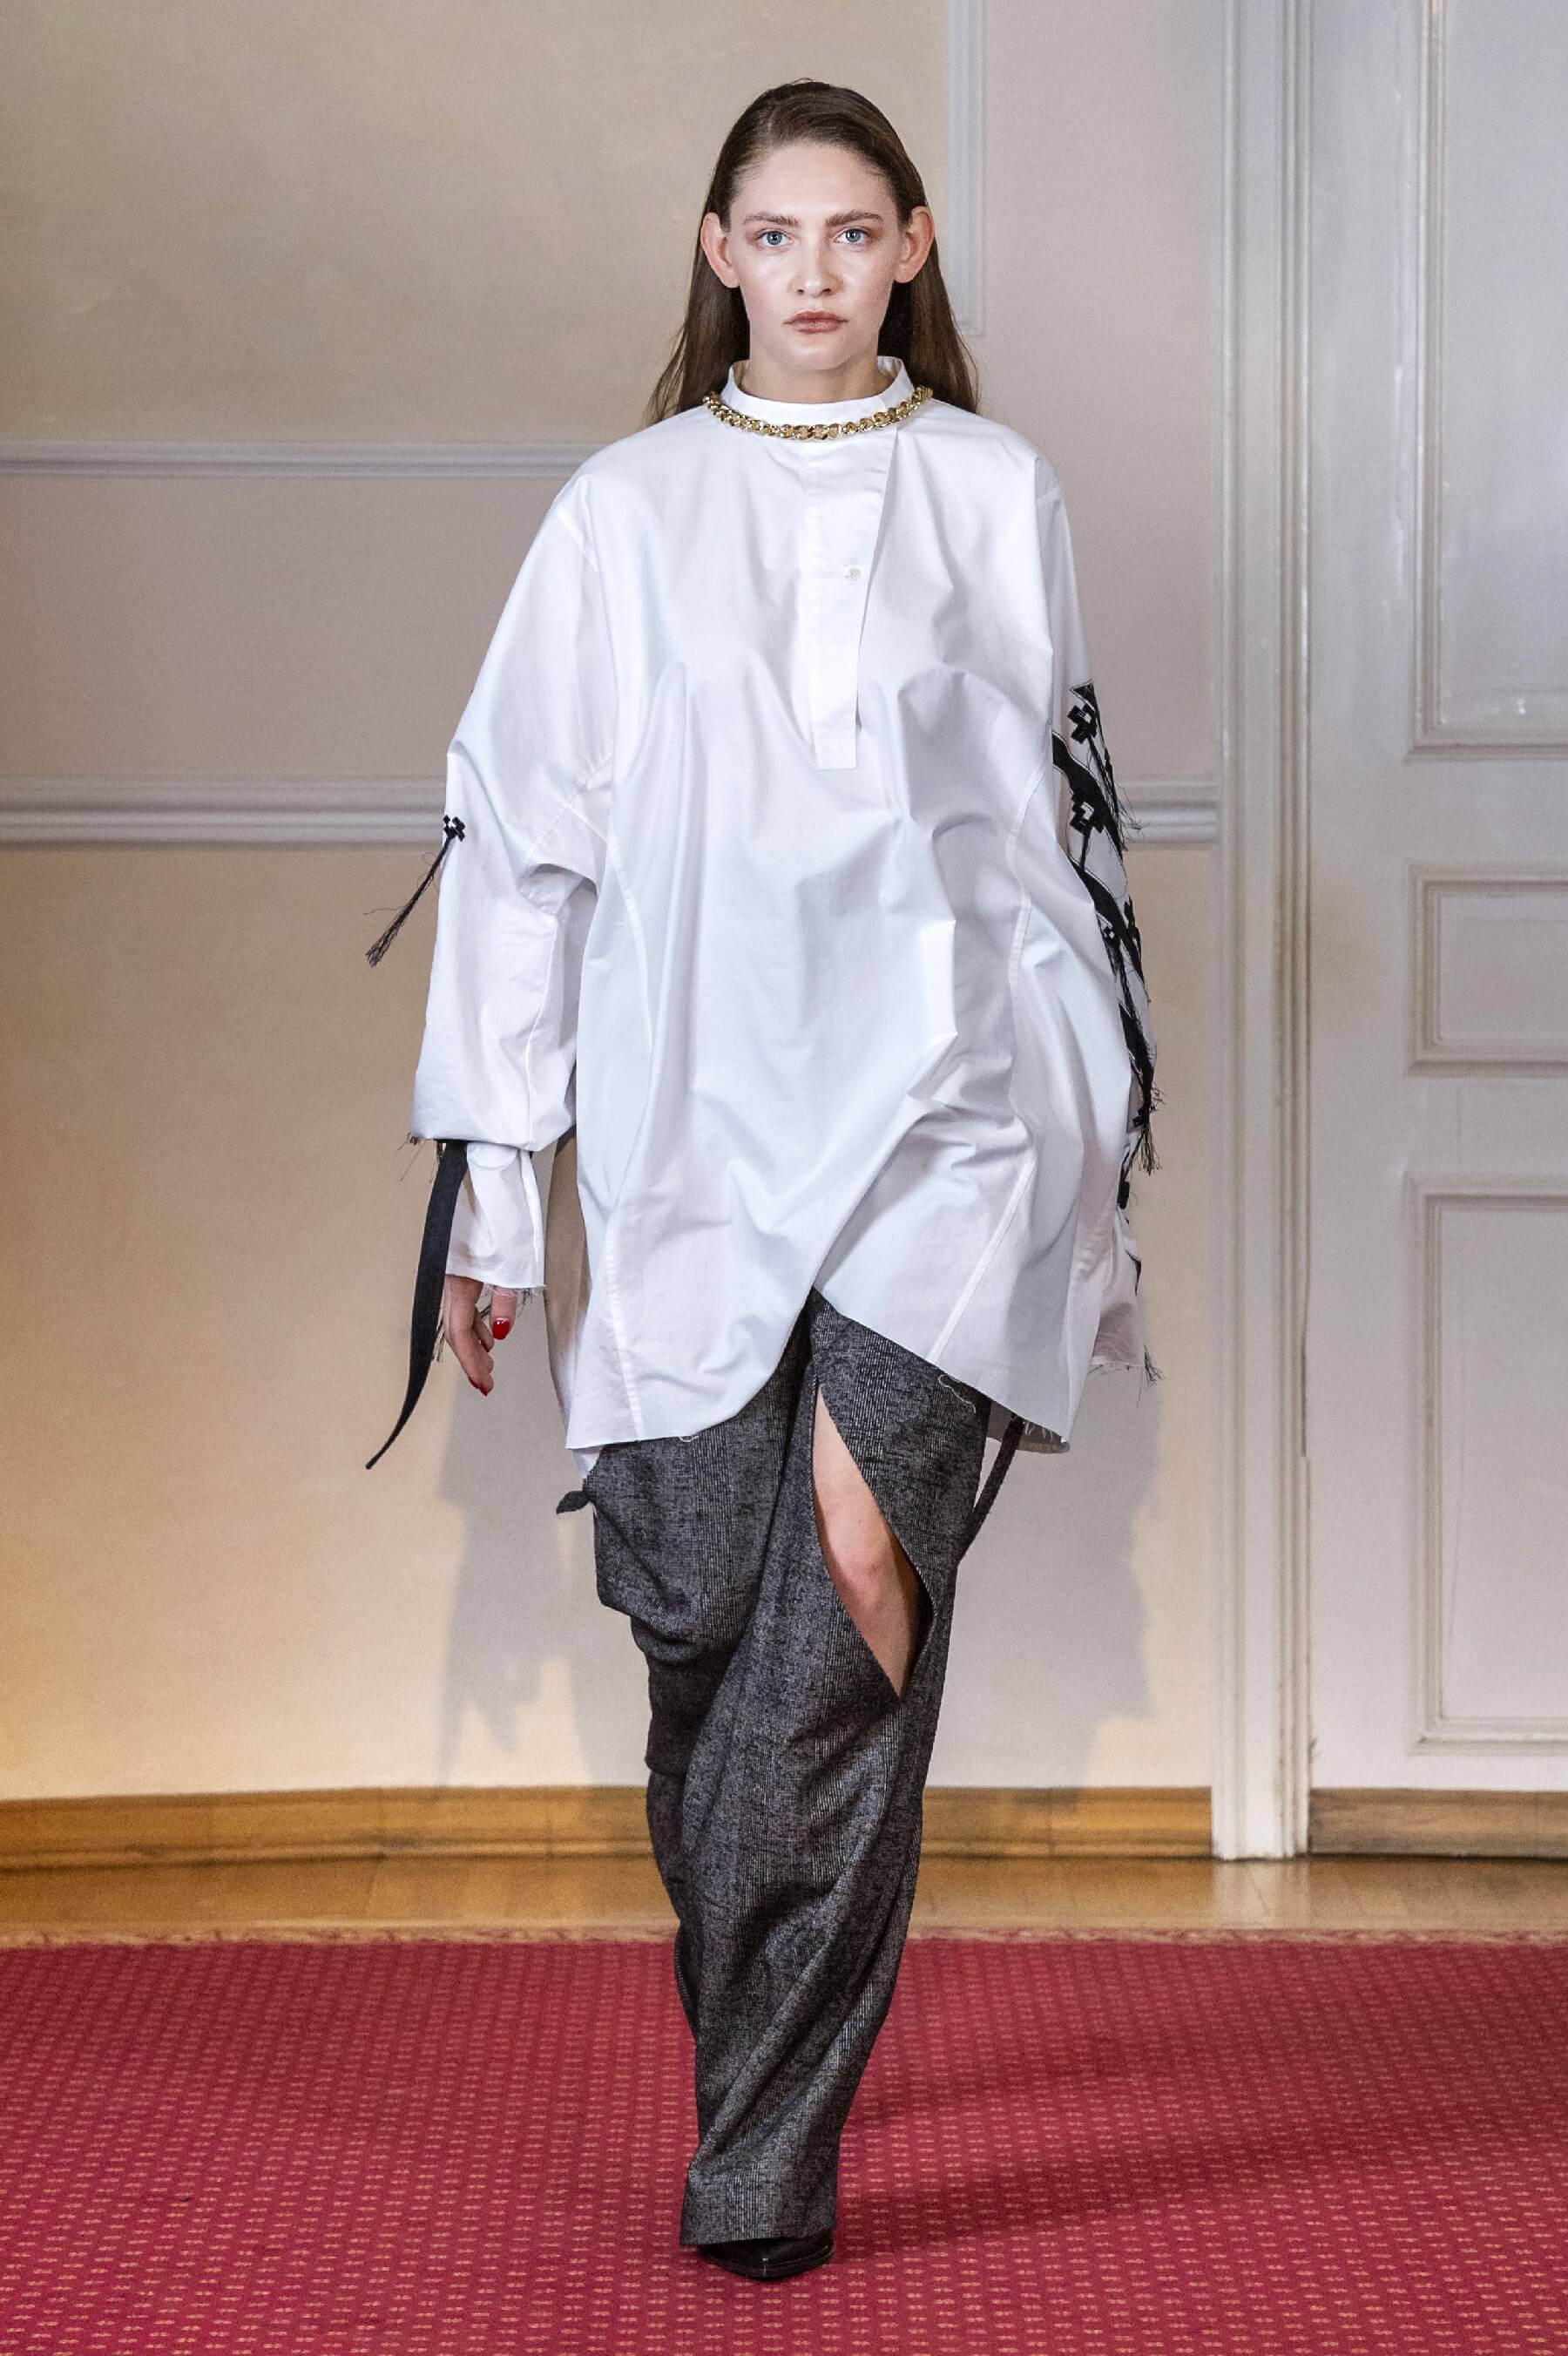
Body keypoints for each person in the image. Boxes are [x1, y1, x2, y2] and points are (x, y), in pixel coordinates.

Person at [367, 78, 1159, 2283]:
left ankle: (760, 2160)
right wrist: (495, 1190)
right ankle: (761, 2058)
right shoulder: (623, 514)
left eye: (855, 232)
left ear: (912, 248)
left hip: (952, 1126)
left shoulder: (995, 491)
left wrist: (1092, 1148)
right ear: (719, 251)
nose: (817, 272)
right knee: (709, 1632)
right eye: (777, 233)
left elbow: (1054, 839)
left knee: (854, 1584)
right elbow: (521, 859)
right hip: (692, 1132)